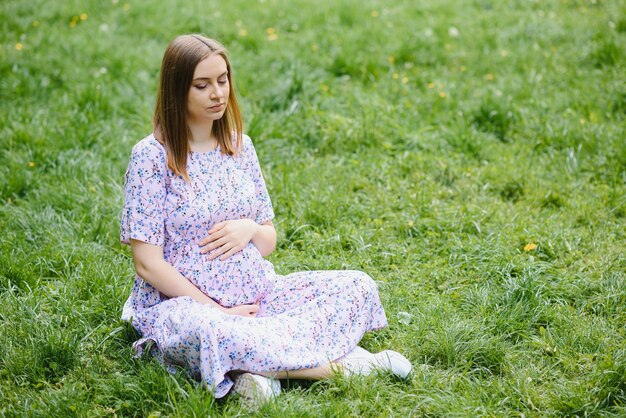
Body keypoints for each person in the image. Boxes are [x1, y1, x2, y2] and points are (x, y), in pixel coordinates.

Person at [120, 34, 411, 406]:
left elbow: (269, 239)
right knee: (207, 330)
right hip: (185, 304)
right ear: (177, 90)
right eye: (202, 85)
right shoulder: (151, 157)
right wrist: (218, 310)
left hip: (260, 296)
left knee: (358, 286)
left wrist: (251, 229)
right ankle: (341, 367)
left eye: (223, 80)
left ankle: (255, 369)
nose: (217, 94)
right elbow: (148, 263)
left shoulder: (240, 145)